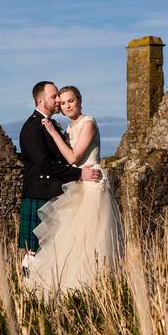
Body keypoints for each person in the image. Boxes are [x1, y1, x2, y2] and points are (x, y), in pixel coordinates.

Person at [23, 85, 124, 294]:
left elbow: (73, 158)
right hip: (76, 185)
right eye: (61, 101)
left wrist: (52, 131)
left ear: (79, 100)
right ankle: (67, 286)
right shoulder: (58, 128)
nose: (65, 105)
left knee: (92, 239)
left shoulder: (88, 123)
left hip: (92, 185)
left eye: (70, 100)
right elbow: (53, 161)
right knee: (70, 240)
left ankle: (94, 286)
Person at [18, 81, 101, 275]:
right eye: (54, 97)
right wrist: (80, 174)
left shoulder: (51, 124)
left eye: (62, 98)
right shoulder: (33, 127)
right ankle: (30, 291)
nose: (58, 101)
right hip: (40, 193)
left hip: (55, 193)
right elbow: (45, 164)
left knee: (59, 250)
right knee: (35, 252)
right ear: (40, 100)